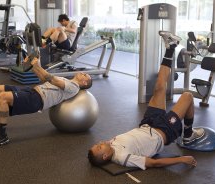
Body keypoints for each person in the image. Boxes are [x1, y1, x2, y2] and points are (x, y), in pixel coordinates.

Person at [87, 31, 205, 170]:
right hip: (163, 132)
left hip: (148, 123)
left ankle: (171, 46)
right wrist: (181, 159)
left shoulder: (110, 145)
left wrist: (104, 145)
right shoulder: (122, 157)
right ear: (106, 156)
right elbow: (153, 163)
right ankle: (188, 134)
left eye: (97, 144)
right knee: (188, 96)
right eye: (100, 146)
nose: (100, 142)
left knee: (159, 87)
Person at [0, 56, 92, 148]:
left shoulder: (74, 87)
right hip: (32, 90)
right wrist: (34, 65)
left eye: (85, 75)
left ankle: (2, 135)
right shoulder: (66, 80)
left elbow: (52, 79)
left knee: (2, 97)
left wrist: (37, 66)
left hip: (38, 100)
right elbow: (43, 78)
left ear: (85, 83)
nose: (83, 73)